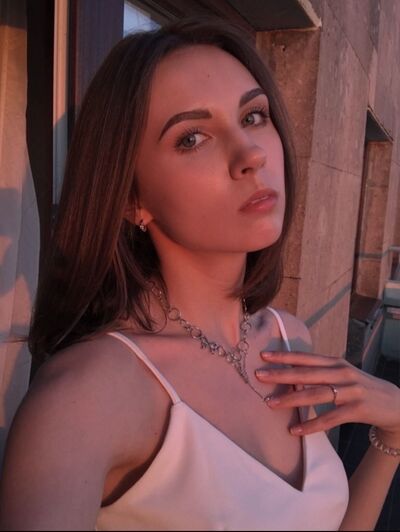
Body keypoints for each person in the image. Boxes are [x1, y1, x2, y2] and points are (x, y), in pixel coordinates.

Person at [0, 16, 399, 531]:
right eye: (192, 138)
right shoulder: (87, 397)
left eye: (253, 116)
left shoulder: (289, 339)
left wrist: (393, 434)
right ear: (131, 198)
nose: (251, 154)